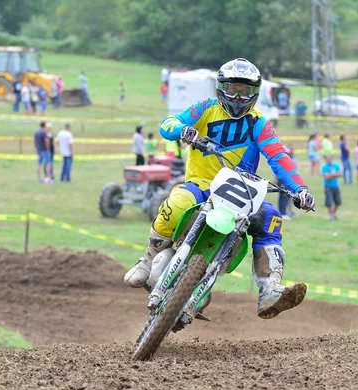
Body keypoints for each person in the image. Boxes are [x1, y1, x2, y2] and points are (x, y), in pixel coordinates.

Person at [124, 58, 315, 321]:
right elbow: (168, 123)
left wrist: (300, 189)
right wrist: (184, 130)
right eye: (233, 89)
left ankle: (269, 289)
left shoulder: (259, 122)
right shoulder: (206, 108)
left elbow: (277, 155)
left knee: (271, 219)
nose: (238, 97)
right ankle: (148, 258)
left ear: (256, 93)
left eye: (245, 91)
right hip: (201, 184)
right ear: (220, 87)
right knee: (177, 202)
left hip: (242, 190)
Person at [321, 154, 342, 221]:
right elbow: (327, 177)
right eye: (328, 158)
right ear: (326, 159)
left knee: (338, 202)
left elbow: (340, 174)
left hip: (335, 186)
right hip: (328, 187)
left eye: (330, 158)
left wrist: (331, 175)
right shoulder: (324, 167)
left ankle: (333, 214)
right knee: (329, 202)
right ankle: (331, 216)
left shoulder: (336, 165)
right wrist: (336, 175)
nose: (329, 159)